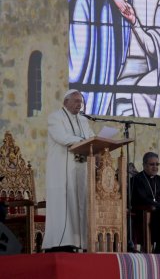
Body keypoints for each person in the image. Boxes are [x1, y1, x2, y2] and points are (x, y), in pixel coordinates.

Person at [42, 89, 95, 251]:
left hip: (81, 170)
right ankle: (60, 244)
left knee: (81, 205)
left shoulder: (84, 121)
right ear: (66, 102)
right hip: (61, 171)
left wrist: (95, 143)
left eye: (81, 102)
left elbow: (92, 138)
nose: (80, 104)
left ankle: (81, 243)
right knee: (65, 206)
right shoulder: (55, 117)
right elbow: (62, 138)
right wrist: (83, 141)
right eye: (76, 101)